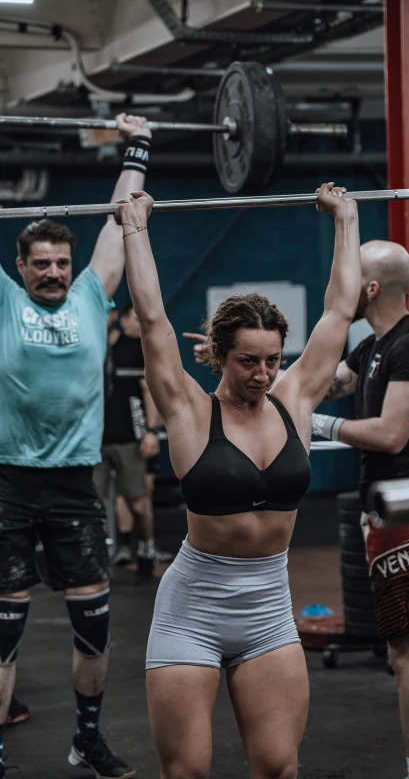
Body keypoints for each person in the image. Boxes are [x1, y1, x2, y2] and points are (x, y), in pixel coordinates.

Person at [113, 182, 361, 779]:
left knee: (278, 767)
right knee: (188, 772)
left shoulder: (295, 398)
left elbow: (340, 308)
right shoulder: (189, 411)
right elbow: (152, 318)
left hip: (268, 609)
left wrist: (346, 218)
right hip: (192, 608)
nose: (263, 372)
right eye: (248, 360)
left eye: (273, 358)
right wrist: (133, 227)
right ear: (219, 353)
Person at [0, 113, 153, 779]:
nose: (55, 272)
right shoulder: (6, 303)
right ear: (22, 267)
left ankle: (87, 738)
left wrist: (137, 148)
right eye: (43, 264)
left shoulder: (93, 294)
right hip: (9, 482)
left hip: (75, 483)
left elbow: (121, 220)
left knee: (94, 626)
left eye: (62, 262)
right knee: (4, 635)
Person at [311, 240, 409, 779]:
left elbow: (391, 434)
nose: (340, 282)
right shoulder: (371, 348)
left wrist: (320, 426)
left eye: (348, 275)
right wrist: (244, 366)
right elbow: (324, 385)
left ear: (370, 288)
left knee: (407, 652)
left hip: (406, 508)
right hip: (389, 510)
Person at [95, 303, 163, 582]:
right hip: (92, 441)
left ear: (114, 317)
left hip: (130, 439)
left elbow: (150, 390)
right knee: (93, 505)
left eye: (106, 312)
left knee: (137, 502)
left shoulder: (134, 347)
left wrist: (151, 431)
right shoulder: (87, 349)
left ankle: (146, 546)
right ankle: (97, 560)